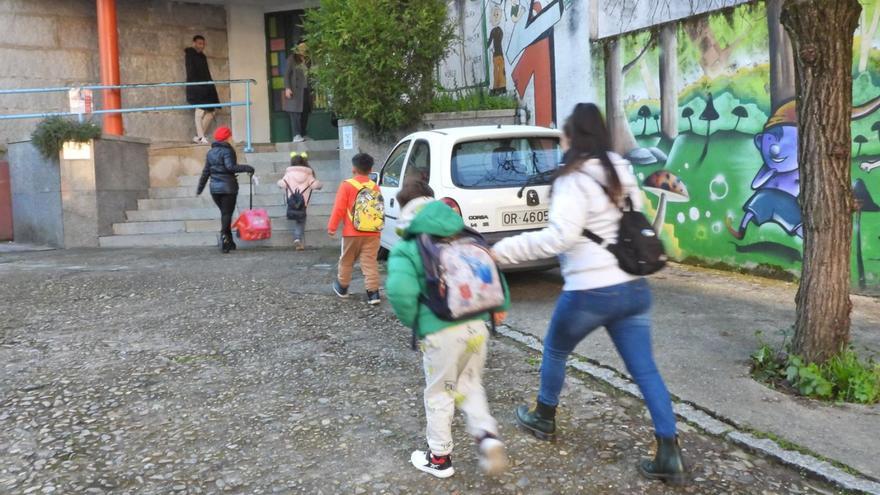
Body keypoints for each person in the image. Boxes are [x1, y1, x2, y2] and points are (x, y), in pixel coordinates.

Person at [491, 103, 687, 485]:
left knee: (556, 348)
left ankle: (543, 416)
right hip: (633, 287)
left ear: (573, 137)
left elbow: (559, 238)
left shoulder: (573, 179)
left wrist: (501, 250)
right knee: (645, 370)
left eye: (563, 135)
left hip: (590, 292)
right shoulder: (622, 170)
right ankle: (669, 453)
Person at [385, 179, 510, 479]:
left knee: (441, 392)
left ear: (404, 209)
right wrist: (499, 304)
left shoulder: (408, 244)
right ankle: (487, 436)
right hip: (477, 324)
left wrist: (418, 321)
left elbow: (400, 291)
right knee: (469, 384)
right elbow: (490, 268)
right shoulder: (460, 231)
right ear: (432, 200)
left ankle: (439, 458)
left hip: (441, 331)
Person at [327, 153, 382, 305]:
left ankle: (342, 287)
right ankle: (373, 293)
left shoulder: (347, 185)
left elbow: (339, 208)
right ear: (371, 170)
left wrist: (332, 227)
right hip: (373, 232)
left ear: (353, 169)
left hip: (352, 232)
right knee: (370, 262)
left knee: (346, 260)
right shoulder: (375, 186)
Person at [196, 126, 255, 253]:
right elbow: (230, 167)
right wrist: (247, 168)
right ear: (227, 137)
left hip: (215, 189)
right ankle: (224, 236)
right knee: (227, 214)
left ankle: (229, 240)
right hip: (228, 188)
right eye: (230, 135)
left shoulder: (210, 152)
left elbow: (206, 172)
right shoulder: (228, 150)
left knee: (225, 213)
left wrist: (200, 188)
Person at [277, 151, 323, 250]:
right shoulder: (308, 173)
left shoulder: (288, 174)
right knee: (300, 220)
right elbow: (315, 185)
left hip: (291, 201)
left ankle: (297, 238)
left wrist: (279, 182)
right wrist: (320, 185)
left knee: (296, 217)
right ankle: (297, 238)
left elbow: (282, 184)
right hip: (303, 203)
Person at [185, 35, 220, 145]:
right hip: (196, 87)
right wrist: (197, 85)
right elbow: (190, 72)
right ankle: (201, 137)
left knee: (211, 111)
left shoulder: (203, 57)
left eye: (203, 44)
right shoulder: (190, 55)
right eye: (199, 43)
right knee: (199, 111)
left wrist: (210, 86)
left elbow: (206, 73)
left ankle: (198, 136)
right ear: (194, 43)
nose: (201, 46)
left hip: (207, 87)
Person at [283, 43, 310, 143]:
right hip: (295, 89)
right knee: (295, 113)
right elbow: (286, 74)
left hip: (306, 89)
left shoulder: (308, 59)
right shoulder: (292, 58)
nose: (304, 48)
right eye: (301, 46)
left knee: (305, 112)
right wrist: (287, 88)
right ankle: (296, 135)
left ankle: (303, 133)